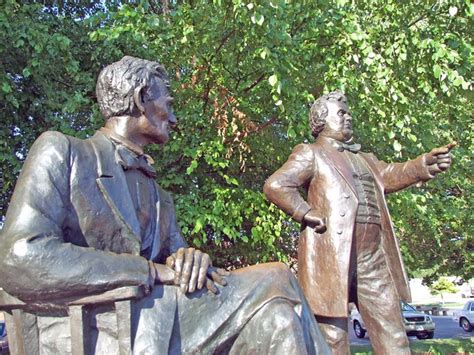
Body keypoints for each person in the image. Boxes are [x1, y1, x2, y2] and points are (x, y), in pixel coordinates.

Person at [0, 56, 330, 354]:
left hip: (158, 323)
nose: (173, 118)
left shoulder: (161, 196)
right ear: (142, 97)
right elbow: (19, 255)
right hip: (96, 329)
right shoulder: (65, 152)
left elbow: (179, 263)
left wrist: (190, 258)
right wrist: (146, 270)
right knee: (277, 276)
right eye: (167, 104)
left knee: (278, 319)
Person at [264, 91, 453, 355]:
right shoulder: (311, 153)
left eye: (348, 111)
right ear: (321, 120)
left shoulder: (367, 159)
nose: (348, 116)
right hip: (330, 255)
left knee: (394, 336)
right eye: (340, 113)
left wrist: (423, 165)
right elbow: (276, 185)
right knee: (332, 339)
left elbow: (393, 173)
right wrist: (305, 212)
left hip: (372, 257)